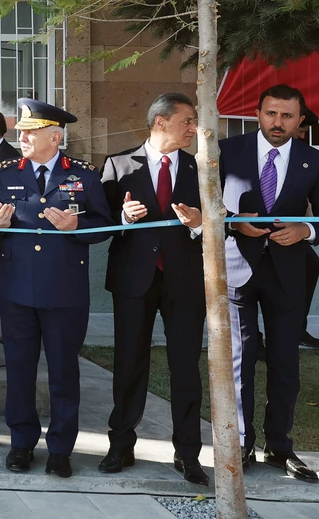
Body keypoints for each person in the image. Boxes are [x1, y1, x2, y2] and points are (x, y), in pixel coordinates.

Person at [221, 83, 319, 482]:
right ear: (258, 113)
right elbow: (208, 203)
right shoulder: (227, 151)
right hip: (238, 267)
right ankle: (241, 442)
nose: (278, 122)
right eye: (271, 113)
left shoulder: (316, 161)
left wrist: (305, 230)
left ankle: (279, 447)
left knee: (285, 363)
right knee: (240, 361)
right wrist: (233, 222)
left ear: (299, 119)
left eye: (287, 115)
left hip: (289, 274)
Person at [0, 98, 112, 478]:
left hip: (65, 291)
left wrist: (78, 228)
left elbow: (105, 225)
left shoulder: (84, 174)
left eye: (31, 131)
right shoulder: (4, 172)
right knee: (20, 371)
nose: (22, 136)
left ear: (55, 137)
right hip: (17, 290)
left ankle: (61, 449)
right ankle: (22, 444)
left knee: (63, 372)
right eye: (21, 131)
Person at [99, 93, 208, 486]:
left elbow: (217, 225)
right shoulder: (118, 164)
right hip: (133, 278)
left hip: (184, 280)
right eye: (187, 121)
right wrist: (123, 217)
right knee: (129, 364)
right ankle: (121, 445)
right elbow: (101, 219)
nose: (194, 129)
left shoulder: (203, 168)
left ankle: (189, 453)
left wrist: (198, 223)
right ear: (160, 122)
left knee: (185, 367)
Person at [292, 106, 319, 350]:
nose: (303, 136)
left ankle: (297, 329)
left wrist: (305, 229)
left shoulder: (309, 158)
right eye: (302, 130)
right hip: (250, 232)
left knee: (310, 265)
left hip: (294, 233)